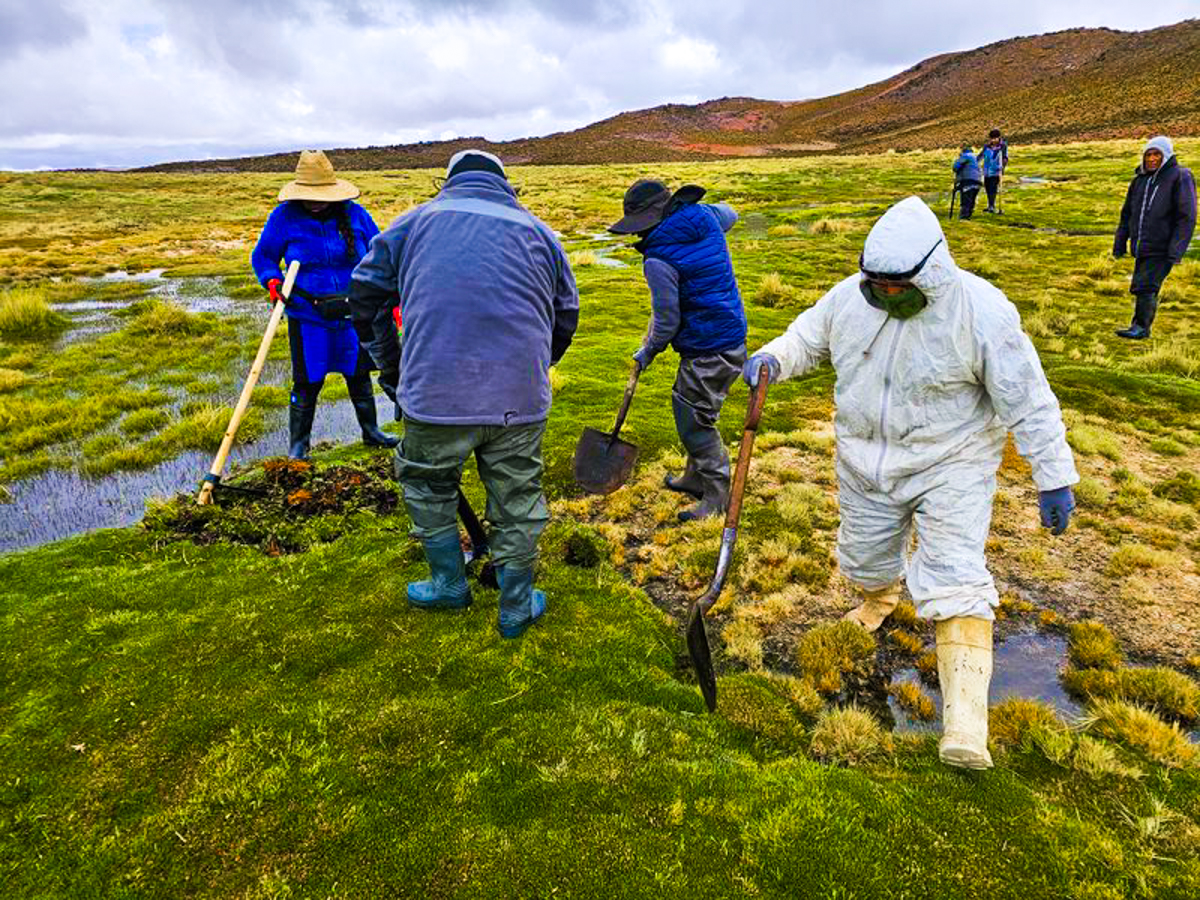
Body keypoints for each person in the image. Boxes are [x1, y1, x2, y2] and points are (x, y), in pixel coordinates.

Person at [742, 197, 1078, 769]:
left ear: (931, 271)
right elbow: (808, 339)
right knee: (864, 560)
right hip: (866, 461)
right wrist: (773, 358)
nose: (888, 296)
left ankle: (966, 725)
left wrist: (1053, 475)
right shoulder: (851, 298)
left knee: (955, 577)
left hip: (953, 462)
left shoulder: (981, 311)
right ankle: (878, 599)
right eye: (880, 286)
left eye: (900, 287)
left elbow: (1029, 400)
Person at [349, 149, 579, 639]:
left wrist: (393, 369)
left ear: (447, 181)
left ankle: (448, 585)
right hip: (520, 398)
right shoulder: (541, 233)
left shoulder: (412, 224)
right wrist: (535, 365)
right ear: (505, 184)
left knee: (429, 487)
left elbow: (364, 299)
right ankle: (516, 609)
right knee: (517, 497)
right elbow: (566, 316)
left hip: (433, 395)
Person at [608, 180, 747, 521]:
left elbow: (668, 321)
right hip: (729, 336)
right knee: (697, 409)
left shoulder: (658, 258)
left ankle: (717, 497)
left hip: (707, 347)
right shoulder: (703, 217)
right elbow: (731, 212)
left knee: (692, 420)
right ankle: (695, 477)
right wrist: (706, 213)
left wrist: (648, 350)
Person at [251, 150, 399, 459]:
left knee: (359, 375)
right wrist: (272, 280)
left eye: (322, 194)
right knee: (307, 381)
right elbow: (263, 256)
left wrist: (392, 295)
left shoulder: (355, 214)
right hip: (309, 315)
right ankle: (299, 447)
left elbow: (380, 252)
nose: (316, 200)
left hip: (354, 311)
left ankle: (371, 433)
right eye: (310, 194)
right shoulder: (284, 217)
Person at [1112, 136, 1197, 340]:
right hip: (1142, 244)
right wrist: (1120, 242)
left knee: (1147, 284)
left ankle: (1141, 328)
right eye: (1148, 154)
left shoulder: (1179, 176)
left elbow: (1187, 216)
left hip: (1163, 245)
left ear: (1166, 156)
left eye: (1156, 154)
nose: (1151, 159)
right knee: (1142, 285)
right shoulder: (1140, 180)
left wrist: (1176, 249)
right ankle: (1138, 325)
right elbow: (1127, 214)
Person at [979, 129, 1008, 213]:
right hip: (987, 171)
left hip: (996, 171)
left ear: (999, 138)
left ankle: (992, 206)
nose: (993, 140)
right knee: (987, 188)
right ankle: (990, 205)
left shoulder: (1002, 146)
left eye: (995, 138)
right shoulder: (986, 146)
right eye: (992, 138)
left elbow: (1005, 157)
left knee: (992, 188)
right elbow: (981, 155)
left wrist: (1003, 165)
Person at [952, 145, 983, 220]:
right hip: (977, 181)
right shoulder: (975, 158)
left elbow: (956, 166)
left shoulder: (966, 155)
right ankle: (968, 215)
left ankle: (964, 217)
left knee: (966, 199)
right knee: (971, 199)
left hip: (968, 180)